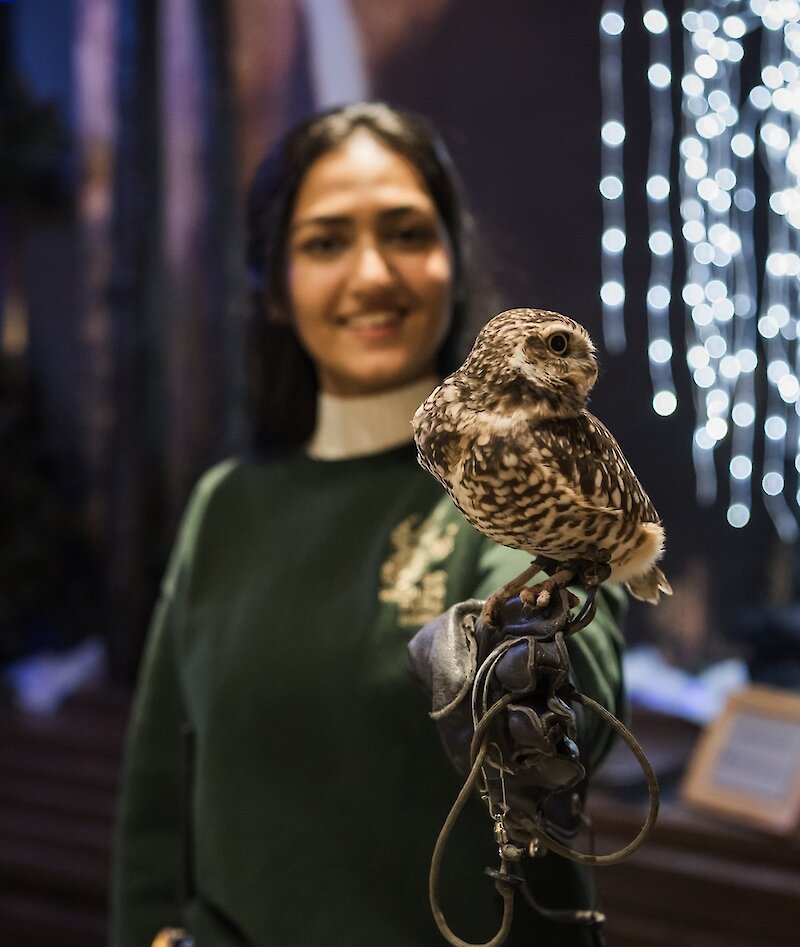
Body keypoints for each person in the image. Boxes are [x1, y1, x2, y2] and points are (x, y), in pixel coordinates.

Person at [110, 102, 626, 947]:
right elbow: (157, 798)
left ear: (455, 263)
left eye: (407, 233)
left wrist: (532, 675)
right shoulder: (225, 504)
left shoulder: (528, 470)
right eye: (325, 242)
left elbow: (580, 687)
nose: (373, 274)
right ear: (273, 285)